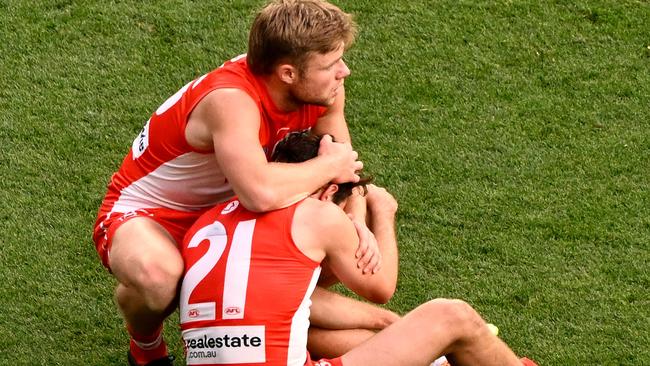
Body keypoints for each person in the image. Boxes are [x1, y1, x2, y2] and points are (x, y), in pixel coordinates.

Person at [92, 1, 385, 365]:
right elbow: (259, 193)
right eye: (330, 65)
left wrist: (356, 218)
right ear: (288, 73)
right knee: (158, 276)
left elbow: (345, 175)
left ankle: (288, 320)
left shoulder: (323, 90)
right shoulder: (231, 101)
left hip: (226, 210)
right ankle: (146, 346)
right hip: (148, 214)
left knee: (347, 215)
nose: (345, 71)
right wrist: (330, 165)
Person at [179, 132, 538, 366]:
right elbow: (381, 287)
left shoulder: (208, 219)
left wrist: (389, 325)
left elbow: (285, 303)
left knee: (308, 332)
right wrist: (379, 214)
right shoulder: (316, 213)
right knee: (452, 315)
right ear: (328, 192)